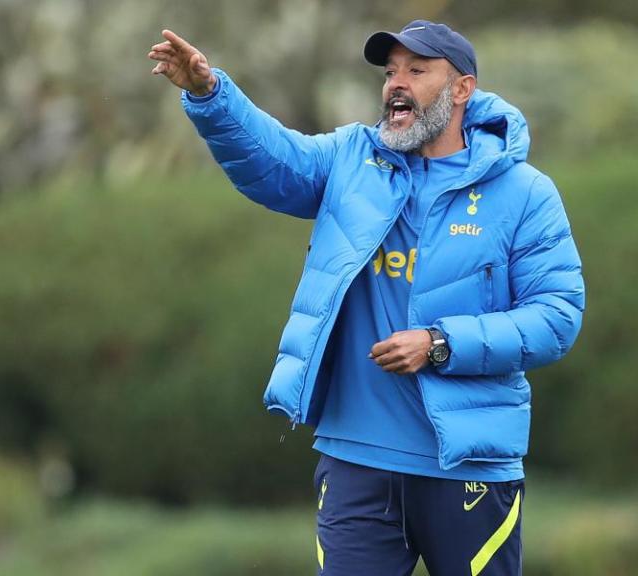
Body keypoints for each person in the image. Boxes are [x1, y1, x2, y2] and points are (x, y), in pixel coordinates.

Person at [149, 20, 584, 576]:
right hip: (356, 461)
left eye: (416, 71)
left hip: (469, 469)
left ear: (462, 89)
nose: (395, 85)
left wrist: (440, 343)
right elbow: (272, 160)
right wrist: (209, 94)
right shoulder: (352, 159)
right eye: (390, 72)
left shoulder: (525, 193)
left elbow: (557, 317)